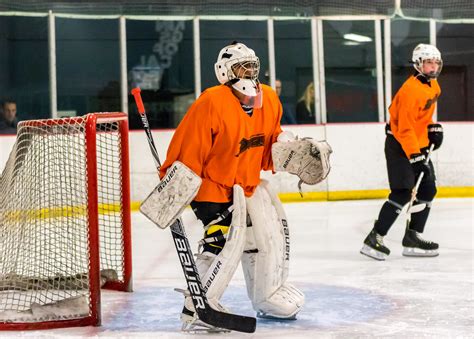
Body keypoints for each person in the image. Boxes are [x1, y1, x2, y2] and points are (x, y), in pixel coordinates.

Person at [158, 41, 331, 332]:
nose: (250, 71)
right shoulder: (212, 101)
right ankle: (196, 304)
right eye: (242, 66)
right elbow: (188, 148)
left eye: (253, 65)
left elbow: (267, 148)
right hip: (212, 188)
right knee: (220, 243)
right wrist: (174, 183)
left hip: (247, 187)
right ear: (225, 71)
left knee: (263, 239)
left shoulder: (270, 100)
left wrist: (287, 148)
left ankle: (267, 296)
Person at [360, 43, 444, 261]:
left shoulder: (434, 86)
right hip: (400, 145)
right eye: (428, 62)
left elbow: (422, 119)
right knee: (402, 192)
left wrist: (432, 129)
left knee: (428, 190)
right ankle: (374, 237)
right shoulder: (410, 90)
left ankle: (412, 237)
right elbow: (404, 128)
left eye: (436, 62)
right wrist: (415, 157)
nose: (433, 66)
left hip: (418, 144)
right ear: (418, 64)